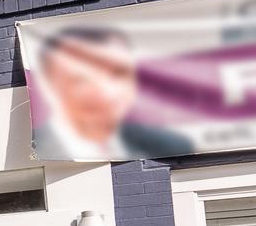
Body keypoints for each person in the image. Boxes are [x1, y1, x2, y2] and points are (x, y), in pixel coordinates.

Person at [33, 25, 192, 160]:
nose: (107, 92)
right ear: (50, 85)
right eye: (81, 79)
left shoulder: (171, 145)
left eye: (118, 74)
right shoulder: (36, 147)